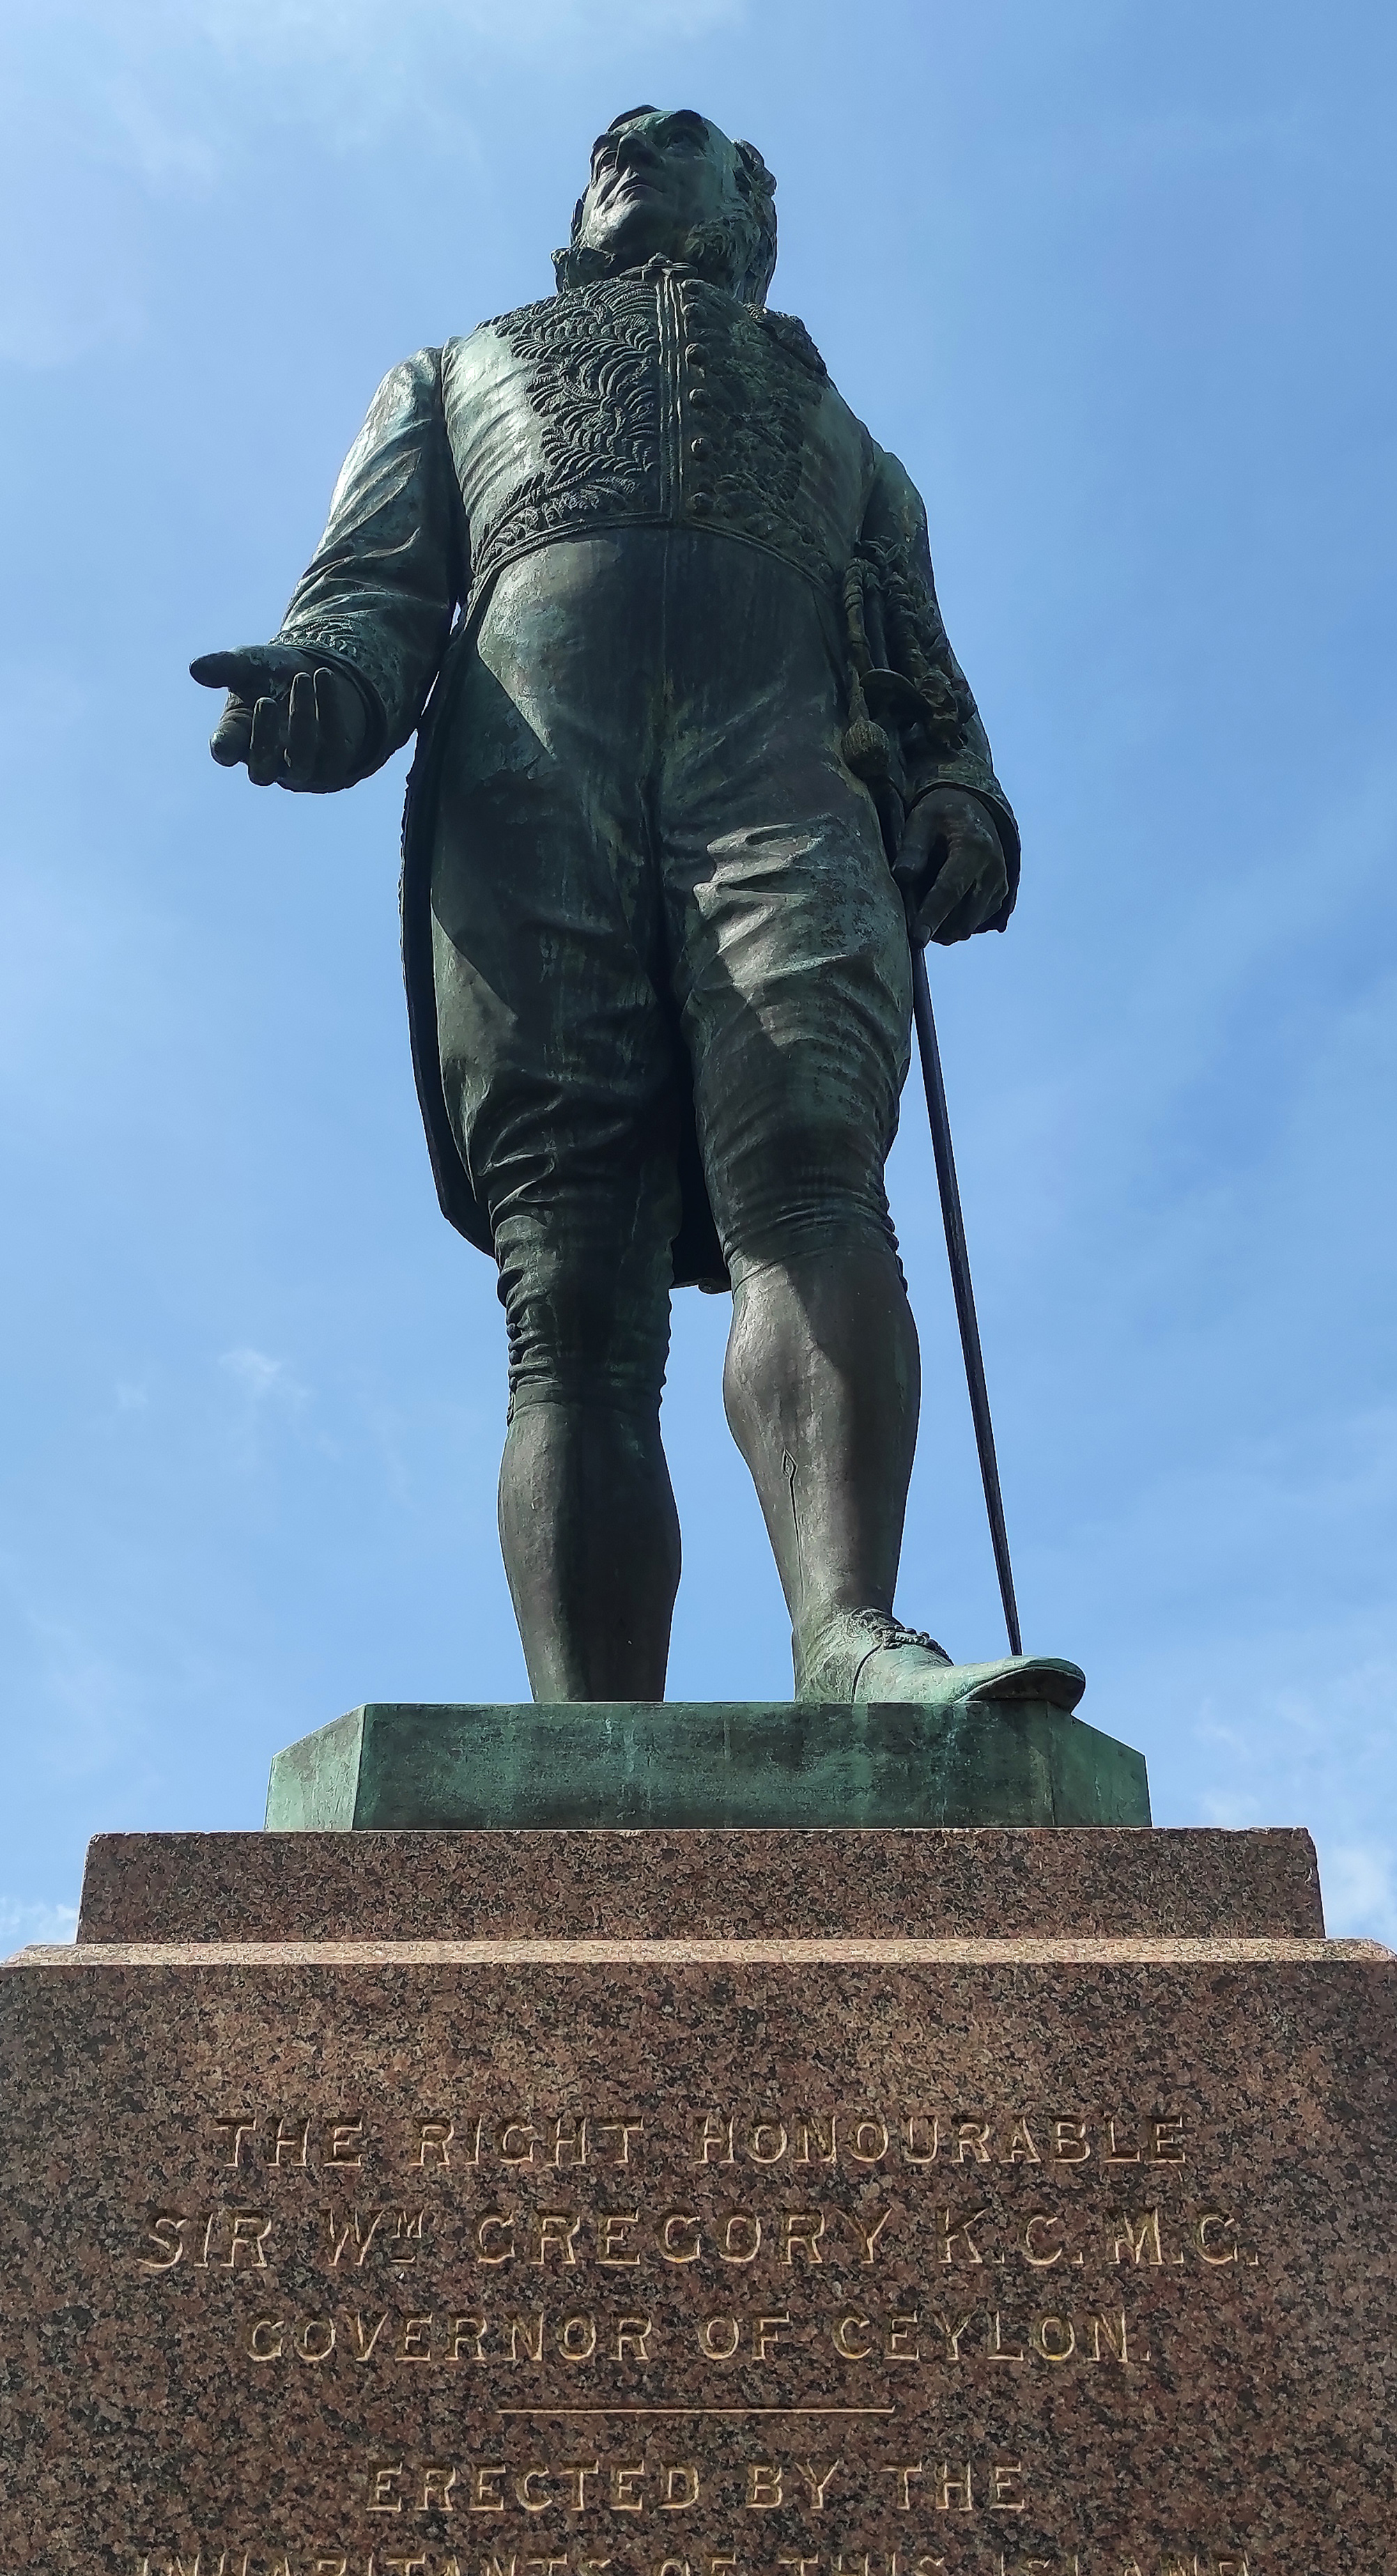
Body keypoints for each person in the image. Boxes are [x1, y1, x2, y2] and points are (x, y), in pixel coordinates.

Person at [195, 105, 1081, 1718]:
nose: (629, 147)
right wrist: (320, 687)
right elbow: (370, 594)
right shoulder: (455, 370)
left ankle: (848, 1635)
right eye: (611, 148)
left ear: (752, 209)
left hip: (782, 773)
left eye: (678, 145)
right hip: (531, 784)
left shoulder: (852, 444)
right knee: (570, 1277)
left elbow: (921, 672)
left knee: (815, 1162)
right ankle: (586, 1732)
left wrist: (959, 789)